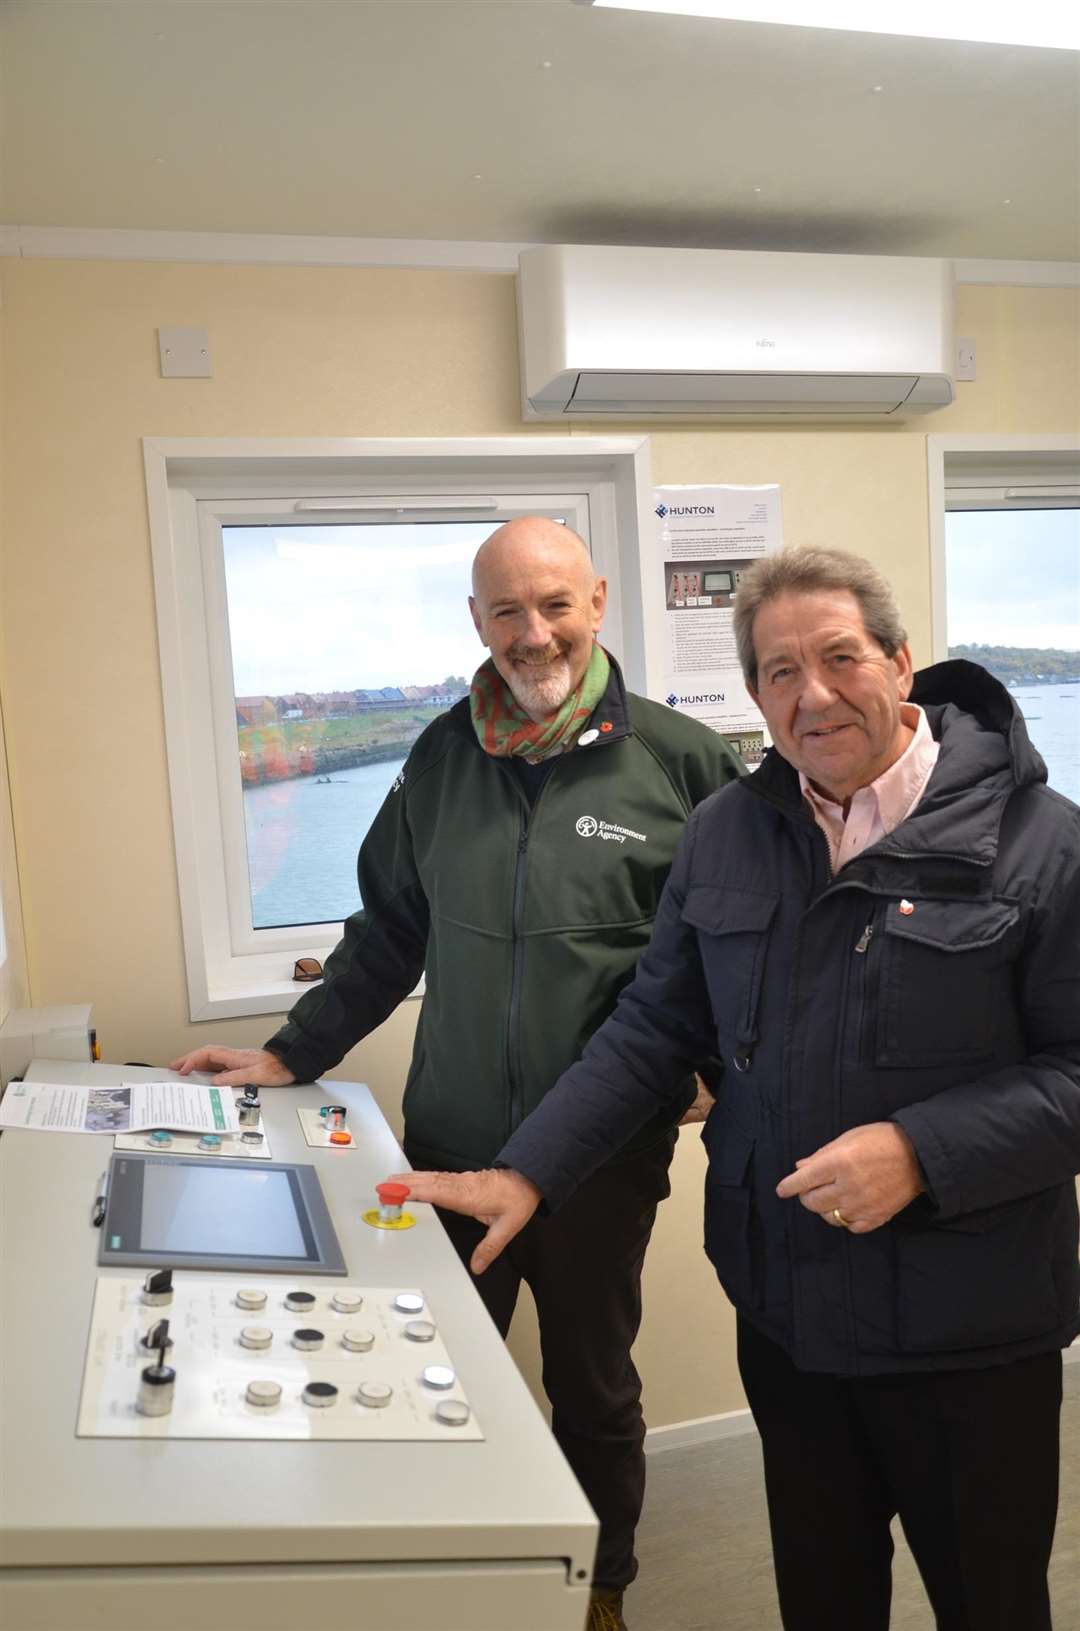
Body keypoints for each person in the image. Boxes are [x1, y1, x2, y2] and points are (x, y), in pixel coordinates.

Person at [397, 545, 1080, 1631]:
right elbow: (654, 1029)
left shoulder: (1039, 844)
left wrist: (921, 1148)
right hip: (787, 1314)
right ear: (753, 693)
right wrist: (524, 1172)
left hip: (971, 1329)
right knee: (821, 1596)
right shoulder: (729, 833)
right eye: (776, 672)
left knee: (989, 1601)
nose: (811, 695)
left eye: (840, 656)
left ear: (901, 662)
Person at [171, 516, 742, 1631]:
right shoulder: (439, 757)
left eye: (556, 605)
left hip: (597, 1158)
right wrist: (293, 1050)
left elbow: (734, 950)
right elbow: (390, 928)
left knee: (595, 1390)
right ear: (475, 621)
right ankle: (454, 1576)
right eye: (507, 611)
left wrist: (718, 1069)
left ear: (598, 601)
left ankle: (601, 1585)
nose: (535, 635)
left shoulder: (684, 763)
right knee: (428, 1370)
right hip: (447, 1143)